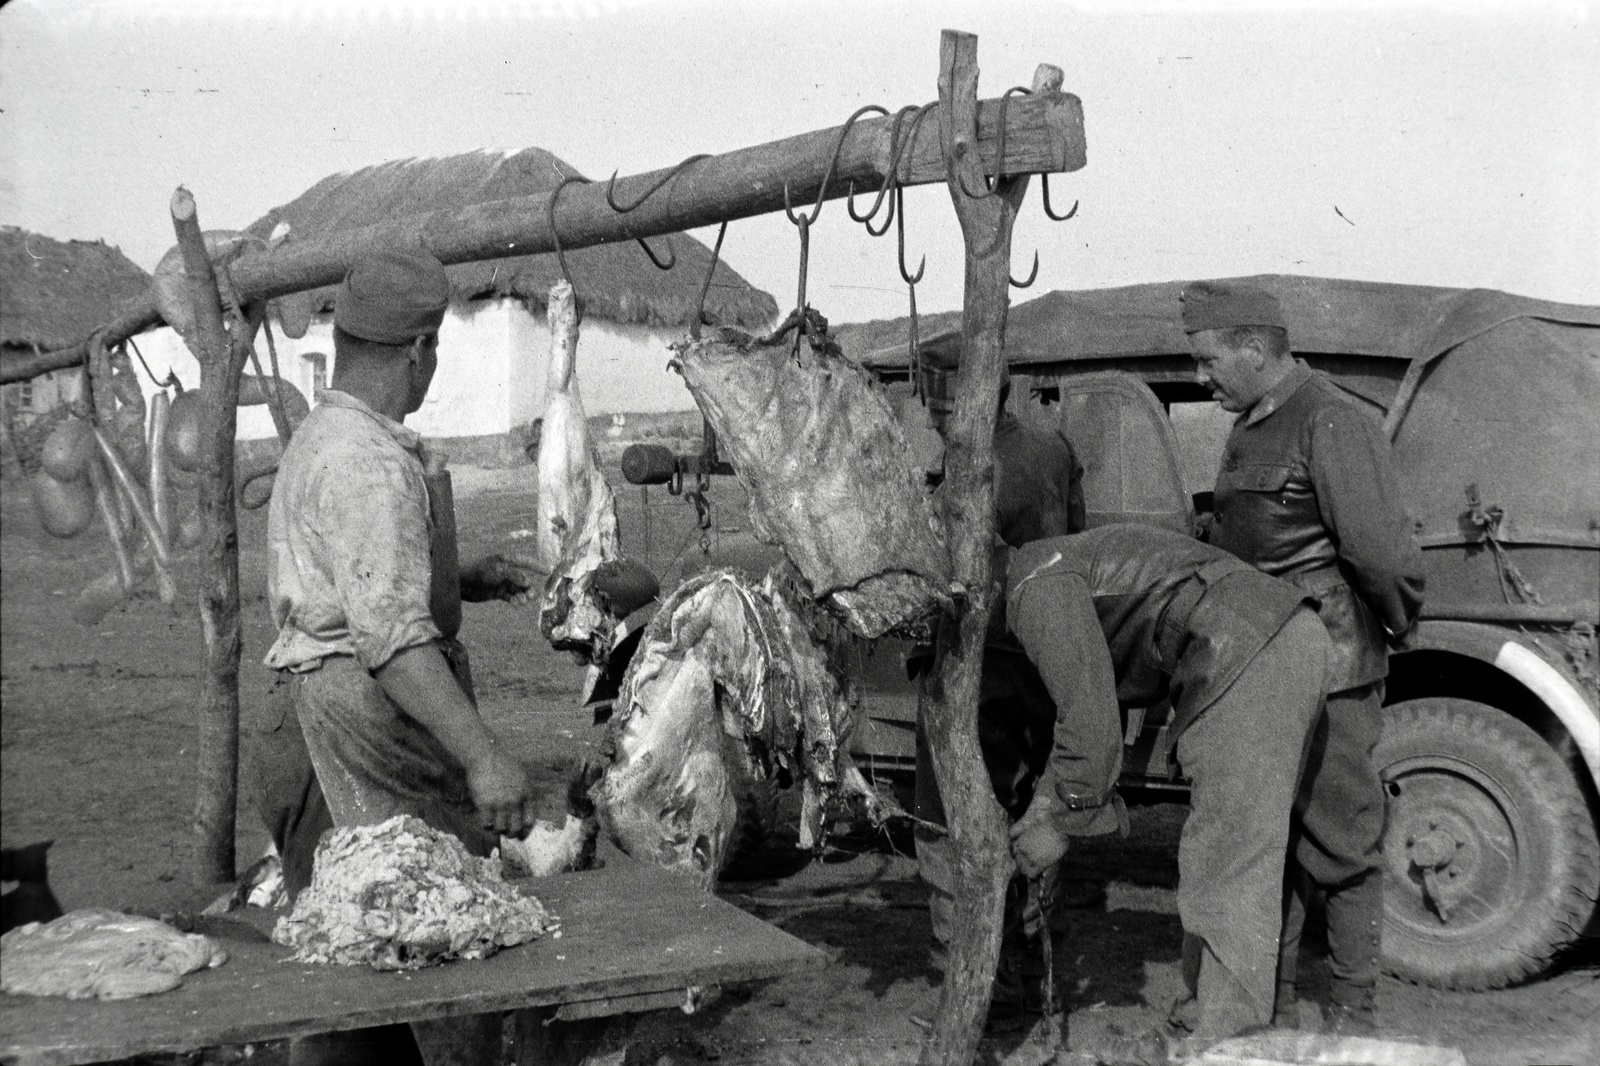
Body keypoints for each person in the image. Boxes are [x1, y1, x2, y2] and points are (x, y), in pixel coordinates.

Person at [259, 247, 539, 1066]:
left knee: (353, 957)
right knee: (433, 946)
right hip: (352, 728)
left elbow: (353, 583)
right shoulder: (367, 463)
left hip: (307, 713)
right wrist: (485, 758)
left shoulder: (330, 432)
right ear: (419, 351)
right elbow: (392, 643)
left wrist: (460, 578)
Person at [1182, 279, 1425, 1031]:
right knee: (1272, 843)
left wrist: (1383, 632)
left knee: (1344, 845)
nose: (1201, 378)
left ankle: (1354, 1019)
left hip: (1331, 671)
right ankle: (1273, 1015)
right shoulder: (1252, 420)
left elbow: (1382, 557)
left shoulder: (1329, 420)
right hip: (1259, 670)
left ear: (1256, 348)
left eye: (1209, 360)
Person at [1004, 523, 1331, 1047]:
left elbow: (1090, 722)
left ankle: (1225, 1046)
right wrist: (1048, 801)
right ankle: (1206, 1024)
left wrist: (1059, 826)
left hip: (1241, 648)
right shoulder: (1054, 565)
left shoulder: (1030, 584)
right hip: (1280, 633)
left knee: (1229, 862)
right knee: (1250, 851)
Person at [909, 352, 1088, 1026]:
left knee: (952, 831)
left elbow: (939, 576)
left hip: (979, 674)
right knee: (1030, 821)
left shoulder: (973, 473)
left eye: (939, 404)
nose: (931, 415)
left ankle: (978, 998)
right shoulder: (1053, 449)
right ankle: (1035, 984)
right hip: (1047, 666)